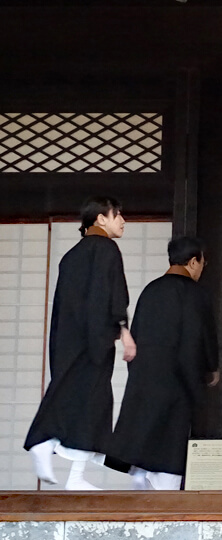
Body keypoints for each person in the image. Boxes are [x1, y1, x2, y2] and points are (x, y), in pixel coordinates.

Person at [24, 196, 136, 490]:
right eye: (118, 214)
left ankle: (68, 469)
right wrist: (123, 330)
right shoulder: (107, 249)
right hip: (94, 339)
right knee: (92, 402)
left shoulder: (72, 255)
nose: (123, 221)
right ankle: (42, 439)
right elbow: (112, 293)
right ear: (101, 218)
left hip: (67, 338)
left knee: (78, 398)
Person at [105, 236, 219, 490]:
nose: (202, 268)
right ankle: (163, 491)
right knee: (171, 441)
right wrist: (211, 368)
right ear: (192, 262)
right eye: (202, 262)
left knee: (144, 430)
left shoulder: (151, 290)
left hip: (146, 377)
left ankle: (140, 473)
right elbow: (204, 336)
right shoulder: (196, 294)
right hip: (177, 377)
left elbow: (137, 334)